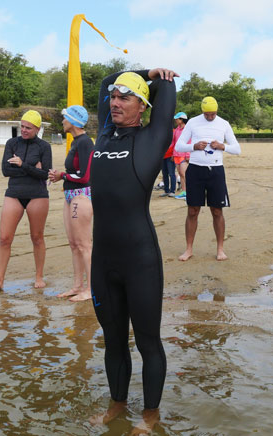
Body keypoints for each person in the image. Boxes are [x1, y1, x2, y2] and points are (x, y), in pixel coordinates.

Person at [88, 68, 177, 426]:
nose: (115, 102)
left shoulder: (153, 137)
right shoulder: (104, 134)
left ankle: (151, 414)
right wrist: (142, 71)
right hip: (103, 258)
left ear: (143, 105)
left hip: (140, 258)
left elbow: (167, 90)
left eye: (125, 98)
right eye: (114, 97)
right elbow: (104, 81)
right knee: (113, 340)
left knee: (147, 342)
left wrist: (158, 77)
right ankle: (117, 406)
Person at [0, 110, 52, 293]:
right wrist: (32, 168)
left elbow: (45, 174)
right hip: (14, 193)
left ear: (37, 129)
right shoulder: (12, 143)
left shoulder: (43, 147)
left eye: (28, 128)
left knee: (37, 237)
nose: (24, 130)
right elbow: (5, 171)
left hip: (37, 195)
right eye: (22, 126)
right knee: (4, 238)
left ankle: (39, 276)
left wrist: (22, 164)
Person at [175, 96, 241, 261]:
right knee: (192, 210)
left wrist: (222, 146)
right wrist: (194, 146)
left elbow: (237, 149)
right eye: (207, 114)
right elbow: (179, 146)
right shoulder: (192, 123)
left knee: (217, 211)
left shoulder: (224, 123)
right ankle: (188, 249)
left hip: (216, 171)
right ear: (202, 111)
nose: (210, 117)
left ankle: (220, 249)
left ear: (216, 111)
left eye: (213, 114)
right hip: (195, 170)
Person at [48, 105, 94, 301]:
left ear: (74, 121)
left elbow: (85, 176)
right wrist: (61, 176)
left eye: (65, 118)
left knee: (84, 245)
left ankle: (91, 289)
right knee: (74, 244)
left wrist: (63, 175)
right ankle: (77, 285)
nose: (62, 121)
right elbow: (75, 172)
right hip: (70, 194)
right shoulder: (76, 142)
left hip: (81, 195)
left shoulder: (85, 143)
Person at [158, 115, 178, 197]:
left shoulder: (174, 132)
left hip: (171, 156)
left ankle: (172, 191)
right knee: (164, 174)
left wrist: (174, 154)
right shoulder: (163, 133)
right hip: (163, 156)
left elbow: (176, 144)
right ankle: (166, 190)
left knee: (171, 173)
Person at [172, 113, 190, 199]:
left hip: (184, 155)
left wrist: (188, 154)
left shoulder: (187, 129)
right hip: (176, 155)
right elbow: (174, 143)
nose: (175, 120)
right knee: (180, 174)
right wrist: (173, 153)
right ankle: (184, 191)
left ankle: (188, 192)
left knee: (184, 174)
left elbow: (189, 142)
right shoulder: (176, 130)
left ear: (182, 119)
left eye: (177, 119)